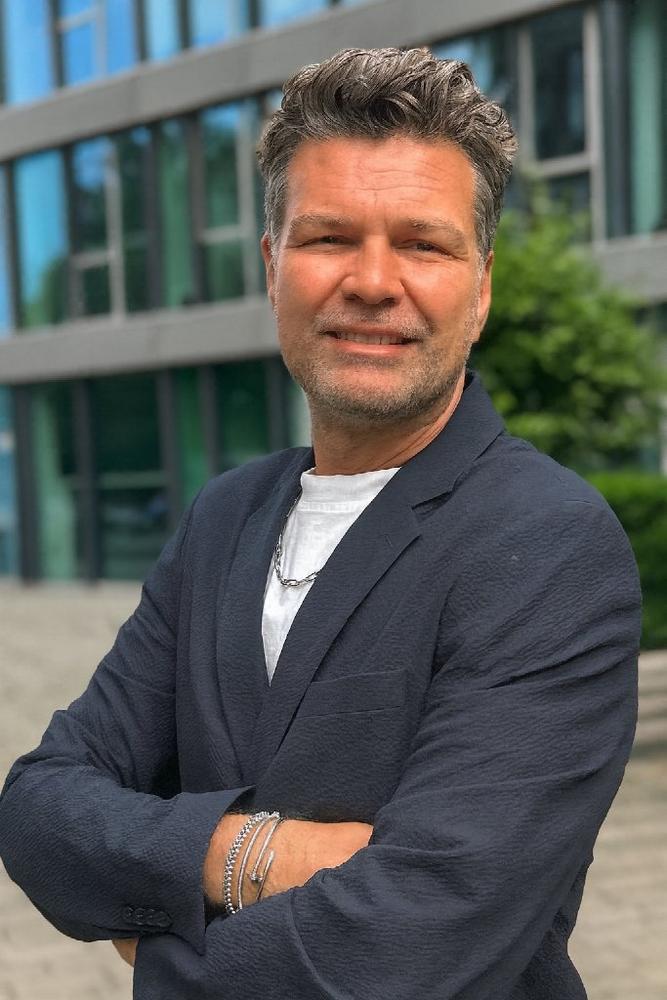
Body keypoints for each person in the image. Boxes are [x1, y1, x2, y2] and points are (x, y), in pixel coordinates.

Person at [0, 47, 640, 1000]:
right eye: (328, 237)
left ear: (480, 287)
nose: (372, 281)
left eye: (422, 245)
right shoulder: (224, 517)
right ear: (272, 267)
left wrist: (157, 943)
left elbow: (413, 941)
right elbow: (40, 806)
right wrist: (249, 854)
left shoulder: (547, 542)